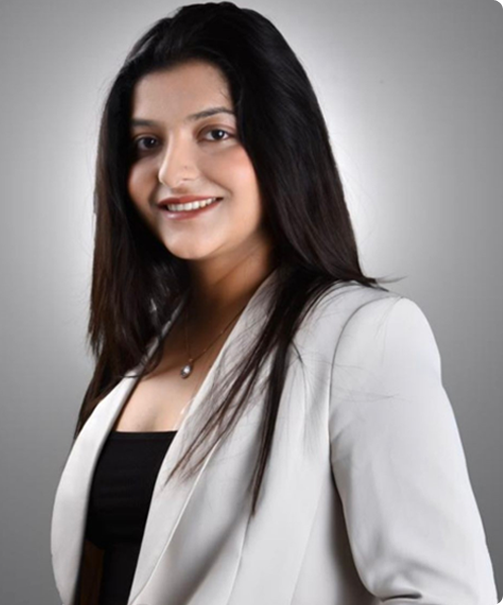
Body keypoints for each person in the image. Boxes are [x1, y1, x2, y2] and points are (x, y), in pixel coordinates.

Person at [50, 3, 498, 604]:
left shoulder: (362, 336)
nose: (172, 173)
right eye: (147, 142)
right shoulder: (136, 354)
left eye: (215, 133)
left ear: (283, 143)